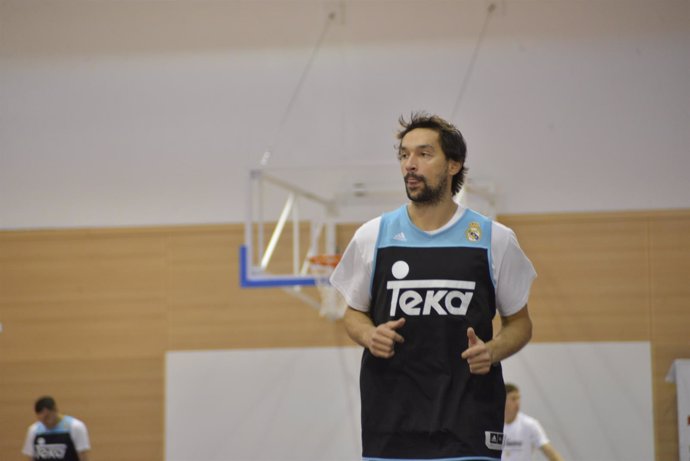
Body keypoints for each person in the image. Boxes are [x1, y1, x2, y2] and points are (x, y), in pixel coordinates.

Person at [330, 112, 536, 461]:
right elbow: (353, 315)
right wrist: (369, 335)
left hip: (469, 421)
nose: (410, 164)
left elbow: (521, 324)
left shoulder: (493, 239)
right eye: (404, 155)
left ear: (454, 164)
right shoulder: (372, 236)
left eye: (424, 154)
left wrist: (493, 350)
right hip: (391, 422)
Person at [502, 383, 566, 461]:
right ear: (503, 400)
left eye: (518, 398)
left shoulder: (530, 425)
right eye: (513, 399)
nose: (517, 402)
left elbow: (550, 453)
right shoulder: (493, 426)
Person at [22, 396, 91, 461]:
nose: (45, 422)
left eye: (47, 417)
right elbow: (31, 457)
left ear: (55, 410)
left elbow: (83, 457)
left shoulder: (75, 427)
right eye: (41, 420)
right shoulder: (34, 430)